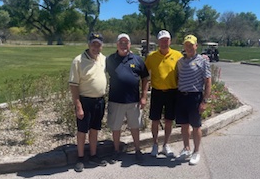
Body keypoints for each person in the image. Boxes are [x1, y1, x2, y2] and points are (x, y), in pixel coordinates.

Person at [106, 33, 149, 163]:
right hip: (115, 100)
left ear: (130, 44)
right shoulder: (110, 59)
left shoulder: (137, 60)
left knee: (135, 126)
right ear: (117, 44)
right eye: (121, 42)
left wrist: (144, 97)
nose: (123, 45)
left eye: (126, 42)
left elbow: (145, 78)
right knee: (116, 127)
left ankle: (137, 150)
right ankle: (116, 150)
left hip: (133, 101)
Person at [68, 32, 108, 172]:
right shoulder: (78, 61)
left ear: (101, 46)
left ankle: (93, 155)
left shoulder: (103, 59)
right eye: (93, 44)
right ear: (88, 44)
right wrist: (78, 106)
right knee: (82, 130)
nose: (95, 47)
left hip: (99, 101)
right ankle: (80, 158)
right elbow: (73, 85)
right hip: (85, 100)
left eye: (98, 44)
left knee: (95, 129)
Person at [145, 30, 183, 157]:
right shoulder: (152, 57)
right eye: (161, 40)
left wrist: (203, 57)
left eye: (166, 40)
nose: (164, 42)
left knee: (168, 120)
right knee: (155, 120)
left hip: (172, 92)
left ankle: (166, 144)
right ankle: (155, 144)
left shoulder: (178, 56)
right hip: (157, 92)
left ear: (170, 41)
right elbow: (144, 74)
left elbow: (189, 62)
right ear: (158, 42)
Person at [175, 34, 211, 165]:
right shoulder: (180, 61)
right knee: (184, 126)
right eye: (186, 45)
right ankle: (186, 148)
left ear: (196, 46)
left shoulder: (203, 61)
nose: (189, 47)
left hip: (195, 97)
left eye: (191, 45)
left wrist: (204, 101)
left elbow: (207, 82)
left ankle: (196, 152)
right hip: (181, 96)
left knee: (196, 126)